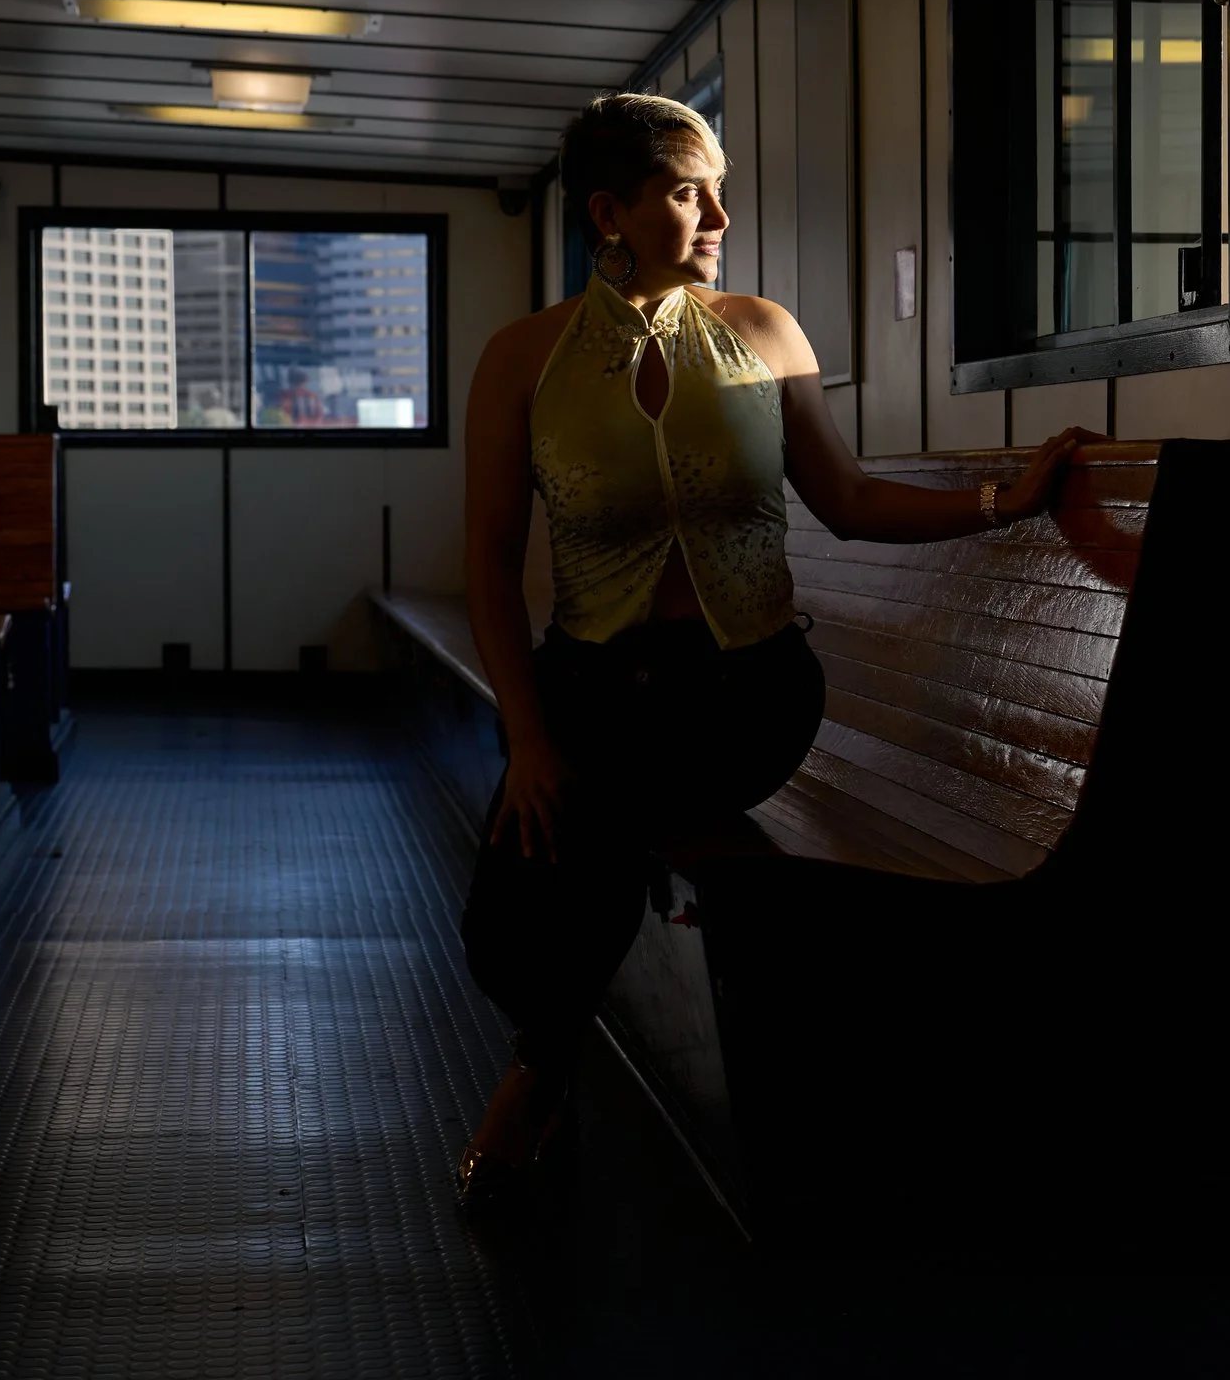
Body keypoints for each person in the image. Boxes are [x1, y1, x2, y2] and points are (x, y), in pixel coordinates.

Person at [454, 93, 1100, 1212]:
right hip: (591, 684)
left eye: (718, 186)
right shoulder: (523, 360)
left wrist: (1006, 503)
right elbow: (487, 559)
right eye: (687, 190)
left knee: (593, 824)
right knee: (513, 897)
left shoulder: (762, 333)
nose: (719, 213)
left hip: (744, 689)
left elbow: (846, 500)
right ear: (610, 211)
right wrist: (525, 736)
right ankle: (549, 1052)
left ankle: (534, 1078)